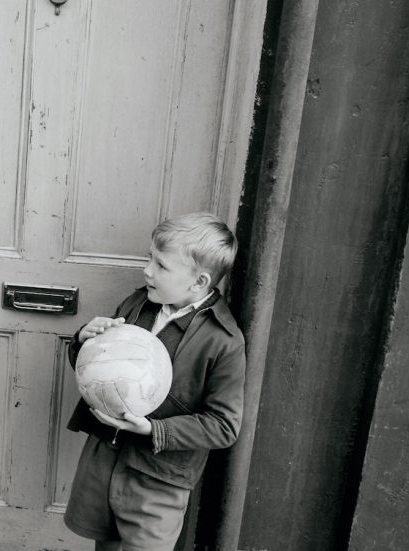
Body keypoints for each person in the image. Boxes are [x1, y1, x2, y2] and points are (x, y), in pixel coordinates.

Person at [63, 212, 246, 551]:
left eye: (161, 265)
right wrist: (84, 342)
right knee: (105, 543)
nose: (147, 270)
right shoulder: (137, 304)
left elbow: (224, 426)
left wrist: (152, 431)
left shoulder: (223, 341)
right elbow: (98, 371)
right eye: (150, 258)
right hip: (106, 456)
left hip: (159, 478)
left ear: (199, 282)